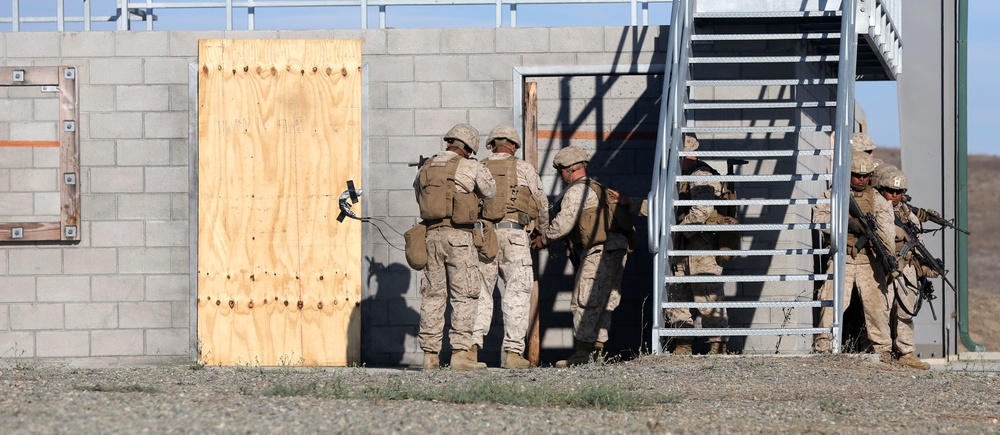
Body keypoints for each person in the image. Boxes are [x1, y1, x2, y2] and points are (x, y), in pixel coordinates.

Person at [532, 146, 630, 368]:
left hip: (599, 251)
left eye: (560, 171)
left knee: (584, 300)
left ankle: (583, 353)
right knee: (603, 301)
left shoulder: (577, 191)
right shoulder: (599, 188)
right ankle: (596, 351)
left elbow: (564, 224)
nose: (560, 176)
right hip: (615, 250)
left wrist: (543, 239)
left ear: (569, 169)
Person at [413, 123, 496, 371]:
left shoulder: (425, 169)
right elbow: (490, 192)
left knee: (433, 296)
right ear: (469, 148)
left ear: (448, 142)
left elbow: (419, 196)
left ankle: (430, 357)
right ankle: (460, 355)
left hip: (431, 236)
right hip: (459, 238)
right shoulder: (471, 166)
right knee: (465, 295)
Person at [473, 125, 550, 369]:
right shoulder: (523, 167)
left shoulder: (479, 167)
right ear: (514, 146)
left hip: (483, 236)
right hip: (515, 235)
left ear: (490, 145)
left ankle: (470, 350)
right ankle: (513, 354)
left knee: (480, 293)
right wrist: (543, 234)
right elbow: (542, 203)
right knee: (517, 294)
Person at [812, 150, 896, 361]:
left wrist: (889, 259)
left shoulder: (877, 199)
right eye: (857, 175)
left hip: (869, 259)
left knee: (876, 307)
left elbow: (887, 231)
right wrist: (846, 224)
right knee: (832, 302)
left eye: (866, 175)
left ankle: (882, 350)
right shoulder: (835, 195)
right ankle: (824, 346)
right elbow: (819, 219)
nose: (862, 179)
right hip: (843, 258)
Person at [665, 134, 730, 355]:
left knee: (708, 296)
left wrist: (678, 230)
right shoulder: (681, 176)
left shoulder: (700, 175)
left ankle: (718, 346)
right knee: (678, 294)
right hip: (685, 247)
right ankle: (682, 345)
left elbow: (702, 210)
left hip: (702, 247)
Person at [872, 165, 932, 370]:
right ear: (881, 189)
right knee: (881, 310)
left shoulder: (908, 215)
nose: (895, 195)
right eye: (890, 191)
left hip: (905, 266)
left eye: (899, 192)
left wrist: (925, 267)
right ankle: (881, 352)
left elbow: (918, 243)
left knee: (905, 310)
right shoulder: (875, 208)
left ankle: (905, 352)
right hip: (881, 266)